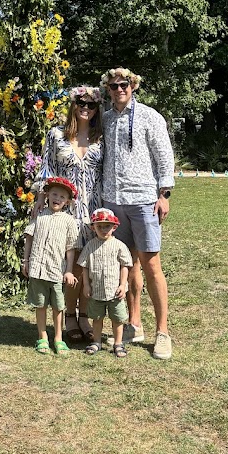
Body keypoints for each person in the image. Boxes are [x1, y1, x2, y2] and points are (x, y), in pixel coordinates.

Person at [101, 66, 175, 361]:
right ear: (108, 90)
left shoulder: (149, 116)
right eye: (114, 86)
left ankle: (163, 333)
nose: (120, 89)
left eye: (125, 84)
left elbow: (164, 155)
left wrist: (164, 194)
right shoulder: (105, 119)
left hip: (144, 200)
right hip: (114, 201)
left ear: (133, 86)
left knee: (151, 265)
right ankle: (134, 324)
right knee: (127, 264)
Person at [36, 85, 103, 343]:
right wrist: (40, 198)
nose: (86, 108)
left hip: (94, 208)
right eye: (81, 103)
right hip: (66, 209)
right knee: (71, 263)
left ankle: (84, 316)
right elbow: (47, 168)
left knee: (90, 264)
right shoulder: (56, 135)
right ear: (73, 105)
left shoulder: (100, 138)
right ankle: (69, 317)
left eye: (91, 105)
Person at [22, 176, 80, 355]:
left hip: (56, 271)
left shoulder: (69, 221)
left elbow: (70, 248)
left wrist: (69, 271)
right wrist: (26, 261)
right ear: (47, 195)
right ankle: (42, 337)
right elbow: (29, 239)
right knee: (40, 305)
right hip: (38, 269)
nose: (57, 199)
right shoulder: (39, 215)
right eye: (54, 194)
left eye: (62, 197)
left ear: (67, 201)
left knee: (58, 306)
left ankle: (58, 338)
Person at [78, 208, 133, 358]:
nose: (103, 230)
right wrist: (86, 285)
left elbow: (125, 266)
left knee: (117, 319)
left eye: (107, 226)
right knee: (97, 318)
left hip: (115, 291)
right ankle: (96, 341)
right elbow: (84, 266)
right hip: (97, 291)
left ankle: (118, 343)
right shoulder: (90, 246)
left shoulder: (119, 245)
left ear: (114, 227)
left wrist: (123, 285)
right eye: (99, 226)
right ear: (93, 227)